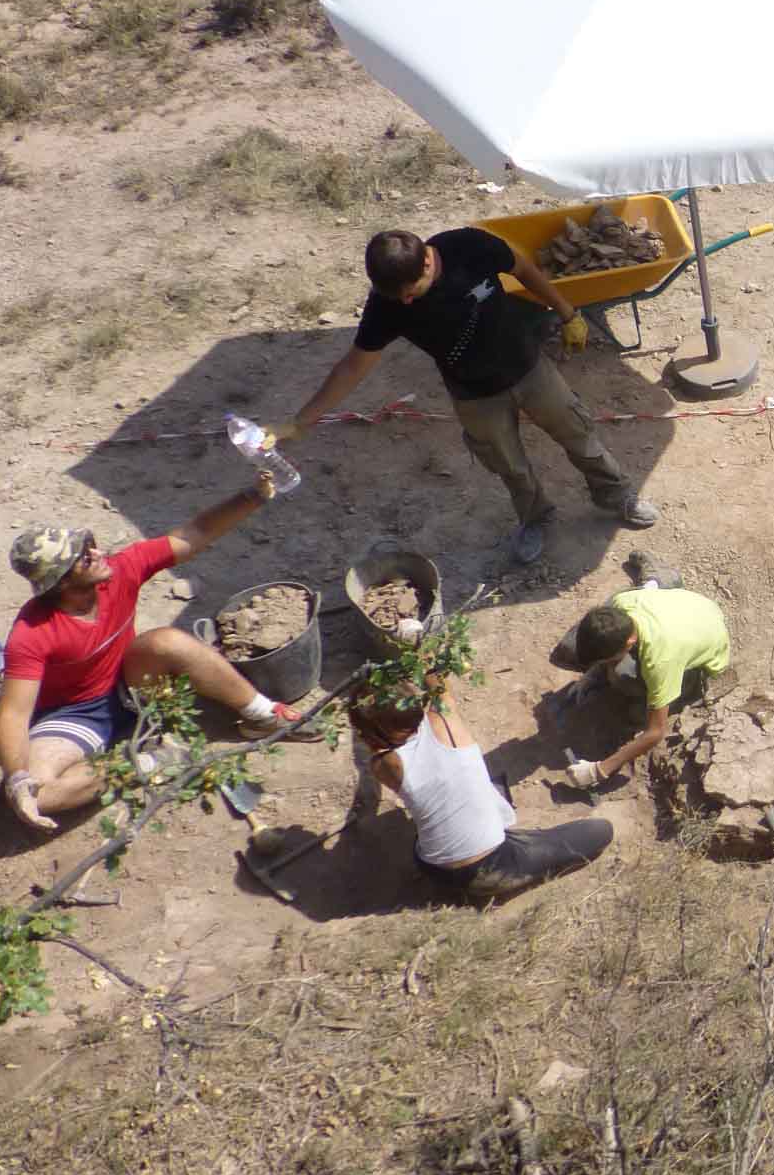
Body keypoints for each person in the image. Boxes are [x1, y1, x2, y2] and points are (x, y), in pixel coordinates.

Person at [277, 229, 657, 564]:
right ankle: (535, 518)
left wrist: (567, 311)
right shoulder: (387, 303)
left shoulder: (469, 247)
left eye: (412, 293)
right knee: (509, 465)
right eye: (399, 297)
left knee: (577, 432)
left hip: (528, 366)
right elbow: (353, 366)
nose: (406, 303)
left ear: (427, 261)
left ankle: (616, 494)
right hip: (473, 394)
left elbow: (522, 267)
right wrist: (301, 420)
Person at [0, 478, 294, 834]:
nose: (96, 552)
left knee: (167, 641)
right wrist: (17, 779)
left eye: (88, 544)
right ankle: (155, 761)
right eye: (81, 556)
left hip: (131, 681)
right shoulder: (32, 633)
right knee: (39, 794)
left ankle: (264, 715)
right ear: (60, 583)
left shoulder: (119, 571)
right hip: (75, 716)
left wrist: (252, 495)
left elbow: (193, 532)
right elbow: (13, 713)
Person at [348, 682, 613, 898]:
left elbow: (382, 746)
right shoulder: (445, 720)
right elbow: (435, 679)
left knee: (470, 795)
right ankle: (502, 871)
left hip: (432, 866)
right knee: (602, 830)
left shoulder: (383, 765)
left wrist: (370, 725)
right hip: (491, 869)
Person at [554, 555, 731, 789]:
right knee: (569, 649)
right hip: (684, 607)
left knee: (629, 695)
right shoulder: (621, 603)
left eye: (606, 659)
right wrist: (590, 676)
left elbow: (655, 732)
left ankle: (689, 692)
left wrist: (599, 771)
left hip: (703, 658)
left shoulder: (661, 659)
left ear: (629, 642)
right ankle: (661, 579)